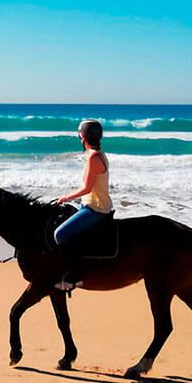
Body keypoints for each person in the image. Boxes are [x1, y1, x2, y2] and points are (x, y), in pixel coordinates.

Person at [53, 119, 113, 291]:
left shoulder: (93, 158)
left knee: (60, 234)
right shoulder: (98, 154)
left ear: (83, 137)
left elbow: (86, 188)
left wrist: (65, 197)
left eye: (80, 135)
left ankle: (74, 276)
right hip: (91, 203)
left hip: (95, 208)